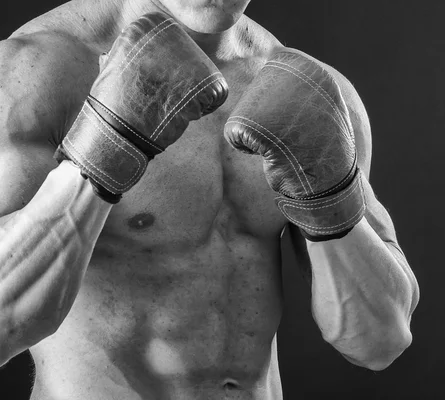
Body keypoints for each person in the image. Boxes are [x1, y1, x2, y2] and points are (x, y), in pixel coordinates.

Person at [0, 0, 420, 398]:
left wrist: (333, 203)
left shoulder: (312, 91)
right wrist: (102, 151)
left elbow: (380, 340)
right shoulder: (31, 73)